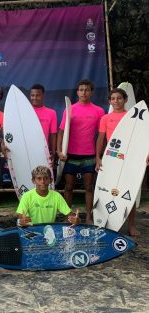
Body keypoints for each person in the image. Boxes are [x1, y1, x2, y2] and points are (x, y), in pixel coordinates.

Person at [57, 79, 105, 223]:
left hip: (89, 155)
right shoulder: (69, 109)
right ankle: (69, 215)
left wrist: (99, 155)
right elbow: (61, 131)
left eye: (87, 89)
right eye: (81, 89)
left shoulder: (99, 111)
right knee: (69, 187)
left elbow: (101, 136)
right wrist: (59, 151)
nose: (84, 92)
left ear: (91, 92)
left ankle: (89, 216)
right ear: (77, 92)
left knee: (89, 187)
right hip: (70, 155)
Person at [95, 88, 139, 236]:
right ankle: (110, 222)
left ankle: (131, 225)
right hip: (111, 159)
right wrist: (98, 157)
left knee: (129, 192)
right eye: (113, 99)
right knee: (108, 191)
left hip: (129, 159)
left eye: (119, 98)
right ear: (109, 101)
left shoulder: (132, 117)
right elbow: (101, 139)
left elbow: (141, 139)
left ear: (125, 100)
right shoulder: (106, 118)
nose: (116, 101)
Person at [15, 166, 80, 226]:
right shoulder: (27, 196)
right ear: (33, 181)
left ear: (51, 180)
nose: (43, 181)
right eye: (39, 178)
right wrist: (21, 221)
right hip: (30, 231)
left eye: (46, 178)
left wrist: (77, 220)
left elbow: (71, 215)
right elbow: (19, 219)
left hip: (49, 232)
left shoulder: (56, 196)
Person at [30, 83, 57, 158]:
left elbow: (53, 135)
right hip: (27, 151)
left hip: (44, 152)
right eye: (32, 95)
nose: (34, 98)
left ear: (43, 96)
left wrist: (53, 153)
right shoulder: (24, 111)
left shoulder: (51, 113)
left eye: (37, 95)